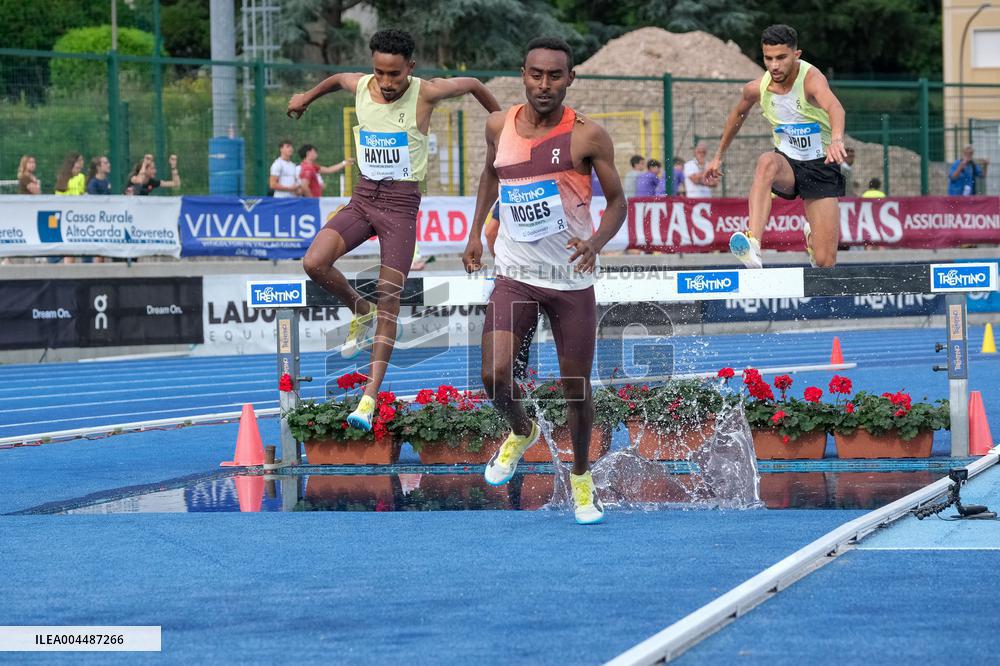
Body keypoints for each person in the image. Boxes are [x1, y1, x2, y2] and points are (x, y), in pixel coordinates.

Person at [288, 28, 500, 431]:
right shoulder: (361, 84)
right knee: (314, 262)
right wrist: (304, 99)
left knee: (390, 298)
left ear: (411, 69)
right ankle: (358, 308)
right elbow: (335, 80)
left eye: (395, 75)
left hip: (401, 209)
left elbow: (473, 83)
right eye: (380, 73)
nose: (386, 83)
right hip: (363, 199)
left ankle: (368, 399)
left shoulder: (426, 92)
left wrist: (502, 122)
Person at [462, 37, 627, 525]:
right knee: (493, 375)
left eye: (555, 76)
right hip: (515, 275)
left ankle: (581, 480)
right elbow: (490, 177)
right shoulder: (499, 125)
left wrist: (594, 243)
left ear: (570, 79)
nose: (544, 84)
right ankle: (522, 429)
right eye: (536, 74)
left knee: (576, 388)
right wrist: (475, 232)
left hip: (571, 282)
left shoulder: (588, 136)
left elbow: (618, 203)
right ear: (523, 74)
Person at [705, 24, 847, 269]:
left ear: (796, 55)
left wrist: (836, 139)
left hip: (820, 164)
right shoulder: (757, 88)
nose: (774, 66)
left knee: (825, 263)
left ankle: (812, 238)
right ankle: (753, 243)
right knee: (766, 162)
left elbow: (836, 108)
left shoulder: (811, 80)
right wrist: (718, 155)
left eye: (781, 58)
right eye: (768, 59)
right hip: (788, 164)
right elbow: (738, 114)